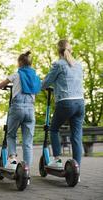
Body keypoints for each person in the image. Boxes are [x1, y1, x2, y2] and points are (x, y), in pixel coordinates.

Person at [42, 39, 85, 180]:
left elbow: (46, 82)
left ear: (58, 50)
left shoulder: (58, 64)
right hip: (80, 103)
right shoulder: (78, 65)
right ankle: (76, 172)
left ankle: (57, 159)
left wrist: (36, 87)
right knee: (76, 137)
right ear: (70, 49)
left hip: (66, 103)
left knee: (53, 129)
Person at [0, 51, 41, 175]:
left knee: (11, 134)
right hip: (30, 110)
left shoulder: (16, 74)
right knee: (27, 141)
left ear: (20, 63)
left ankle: (12, 160)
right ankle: (26, 170)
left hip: (17, 108)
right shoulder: (35, 77)